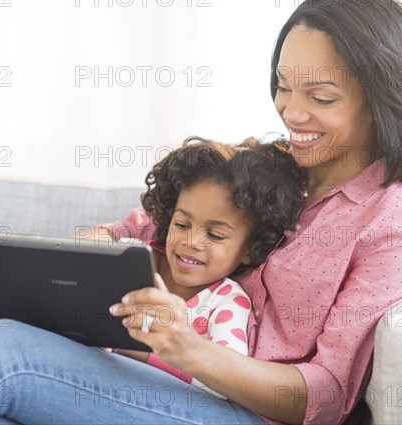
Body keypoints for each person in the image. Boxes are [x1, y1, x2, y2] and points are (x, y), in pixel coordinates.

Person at [0, 0, 402, 424]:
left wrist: (190, 350)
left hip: (243, 413)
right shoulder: (267, 169)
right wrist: (73, 263)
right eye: (283, 86)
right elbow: (137, 228)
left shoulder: (393, 220)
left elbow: (328, 398)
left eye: (321, 97)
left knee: (9, 353)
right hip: (165, 383)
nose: (291, 111)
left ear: (382, 100)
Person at [110, 137, 306, 399]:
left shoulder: (228, 301)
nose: (191, 242)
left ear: (249, 249)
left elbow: (222, 385)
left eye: (215, 235)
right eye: (181, 225)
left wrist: (141, 351)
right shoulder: (129, 257)